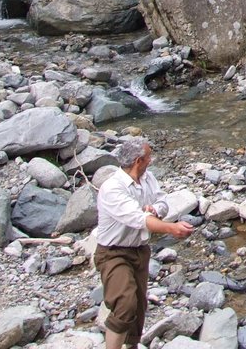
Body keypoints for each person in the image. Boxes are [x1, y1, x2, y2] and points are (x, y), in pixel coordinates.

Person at [94, 137, 194, 349]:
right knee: (125, 303)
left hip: (140, 251)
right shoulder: (112, 188)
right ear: (138, 160)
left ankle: (131, 345)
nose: (151, 160)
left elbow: (162, 201)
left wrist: (156, 210)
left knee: (138, 306)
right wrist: (172, 228)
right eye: (149, 156)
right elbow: (138, 220)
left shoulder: (148, 178)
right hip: (113, 253)